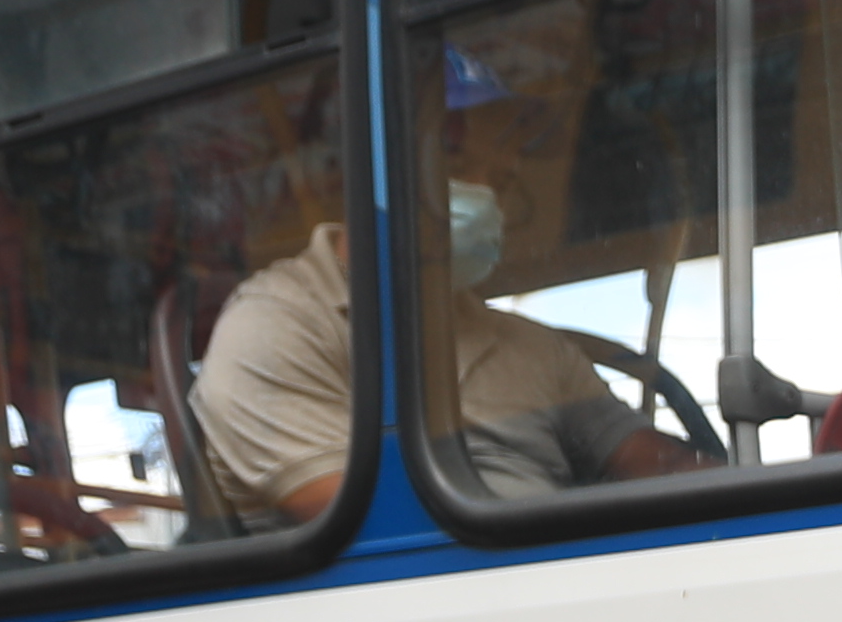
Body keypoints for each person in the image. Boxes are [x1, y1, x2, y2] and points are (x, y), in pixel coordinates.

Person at [189, 173, 704, 525]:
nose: (488, 188)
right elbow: (384, 532)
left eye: (499, 171)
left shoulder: (529, 344)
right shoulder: (276, 326)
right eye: (456, 161)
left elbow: (649, 461)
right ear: (375, 174)